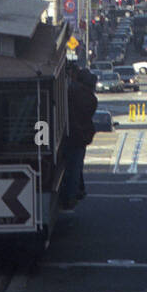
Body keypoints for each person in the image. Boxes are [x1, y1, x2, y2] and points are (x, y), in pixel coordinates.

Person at [60, 66, 97, 210]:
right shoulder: (91, 99)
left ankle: (71, 194)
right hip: (80, 136)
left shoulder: (72, 92)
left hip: (70, 135)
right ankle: (74, 193)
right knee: (76, 166)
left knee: (72, 166)